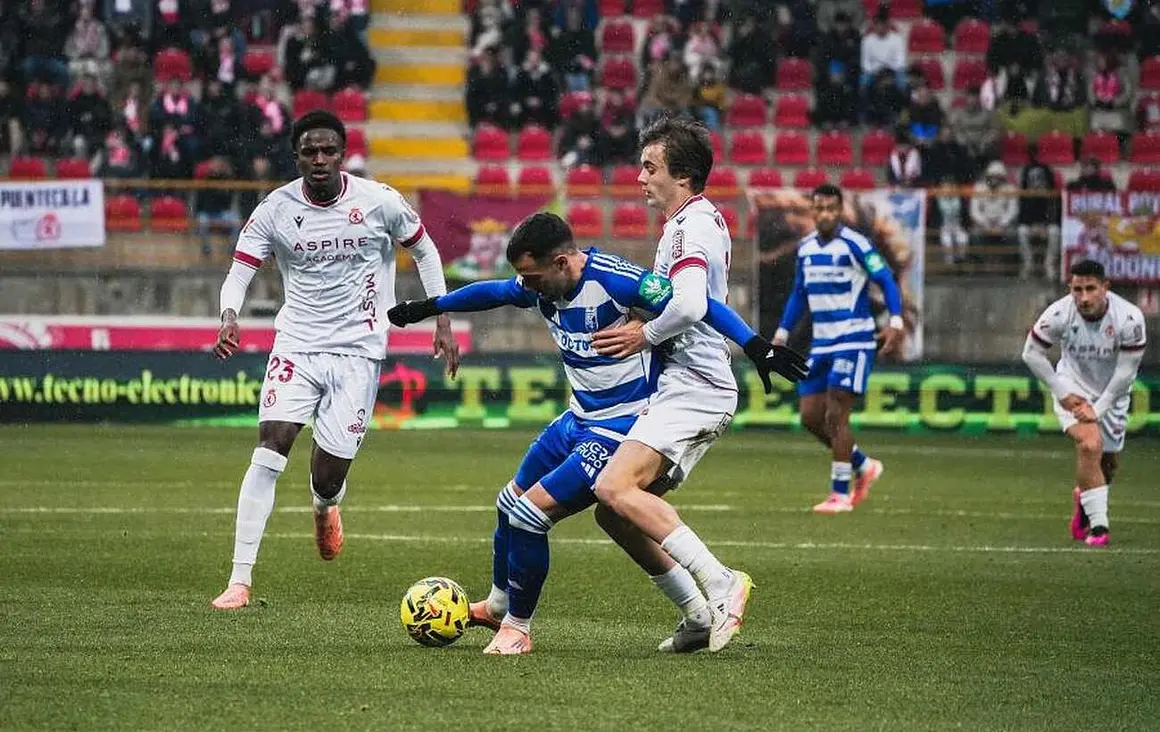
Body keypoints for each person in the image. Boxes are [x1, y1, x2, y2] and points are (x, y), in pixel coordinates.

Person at [388, 213, 803, 654]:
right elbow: (493, 292)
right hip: (579, 418)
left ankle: (518, 628)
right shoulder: (539, 283)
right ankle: (498, 605)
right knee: (508, 504)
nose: (525, 287)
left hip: (621, 427)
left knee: (531, 515)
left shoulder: (616, 280)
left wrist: (756, 344)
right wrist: (431, 307)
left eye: (532, 277)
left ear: (563, 262)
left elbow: (696, 301)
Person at [209, 111, 460, 610]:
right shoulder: (275, 209)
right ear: (297, 156)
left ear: (342, 155)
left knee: (328, 476)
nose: (319, 160)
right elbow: (241, 268)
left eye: (328, 151)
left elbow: (426, 252)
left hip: (359, 351)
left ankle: (325, 506)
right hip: (297, 344)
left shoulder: (379, 201)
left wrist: (443, 318)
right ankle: (239, 580)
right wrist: (229, 314)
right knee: (270, 445)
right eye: (309, 152)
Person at [585, 115, 803, 654]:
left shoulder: (690, 226)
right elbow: (697, 301)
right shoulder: (694, 222)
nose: (640, 177)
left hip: (694, 385)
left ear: (681, 177)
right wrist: (751, 343)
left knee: (613, 488)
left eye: (649, 166)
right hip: (689, 384)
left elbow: (689, 303)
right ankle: (697, 615)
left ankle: (723, 583)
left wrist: (644, 334)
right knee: (614, 512)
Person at [773, 183, 905, 513]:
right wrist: (782, 333)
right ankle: (863, 465)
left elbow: (886, 280)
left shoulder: (857, 244)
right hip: (823, 342)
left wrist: (897, 321)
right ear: (812, 211)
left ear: (841, 210)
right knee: (809, 416)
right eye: (820, 208)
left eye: (832, 208)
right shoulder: (805, 248)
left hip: (855, 339)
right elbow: (799, 294)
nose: (826, 214)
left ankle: (840, 494)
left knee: (836, 413)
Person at [1021, 260, 1147, 547]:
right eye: (1077, 289)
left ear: (1105, 288)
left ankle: (1084, 499)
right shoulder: (1058, 313)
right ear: (1071, 289)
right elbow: (1031, 354)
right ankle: (1100, 528)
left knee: (1108, 463)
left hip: (1112, 394)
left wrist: (1100, 408)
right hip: (1073, 389)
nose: (1084, 297)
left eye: (1091, 288)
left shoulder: (1129, 318)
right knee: (1090, 444)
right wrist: (1061, 391)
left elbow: (1126, 372)